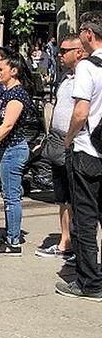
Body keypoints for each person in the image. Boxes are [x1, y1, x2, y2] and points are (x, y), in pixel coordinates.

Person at [57, 15, 102, 300]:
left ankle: (89, 283)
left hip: (88, 151)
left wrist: (69, 138)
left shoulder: (87, 66)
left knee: (85, 218)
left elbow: (81, 112)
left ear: (88, 34)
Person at [0, 53, 35, 254]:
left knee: (11, 197)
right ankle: (11, 233)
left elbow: (8, 124)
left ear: (14, 71)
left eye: (1, 69)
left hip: (14, 150)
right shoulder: (7, 92)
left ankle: (13, 242)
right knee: (8, 195)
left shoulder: (17, 95)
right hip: (6, 149)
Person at [36, 35, 82, 262]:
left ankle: (79, 245)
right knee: (62, 196)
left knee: (77, 197)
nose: (59, 55)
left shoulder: (88, 77)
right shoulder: (66, 77)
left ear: (79, 52)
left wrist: (70, 138)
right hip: (57, 141)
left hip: (74, 142)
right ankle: (65, 241)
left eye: (64, 51)